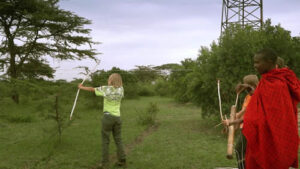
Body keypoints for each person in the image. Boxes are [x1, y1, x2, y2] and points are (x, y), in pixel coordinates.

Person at [242, 48, 300, 169]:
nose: (255, 65)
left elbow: (276, 117)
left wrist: (249, 122)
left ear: (269, 62)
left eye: (258, 62)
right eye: (254, 62)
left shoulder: (276, 84)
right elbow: (258, 107)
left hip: (272, 136)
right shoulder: (267, 81)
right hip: (264, 133)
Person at [78, 73, 126, 169]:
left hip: (108, 118)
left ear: (111, 80)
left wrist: (81, 87)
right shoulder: (121, 89)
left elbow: (92, 89)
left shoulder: (106, 89)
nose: (108, 81)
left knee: (105, 141)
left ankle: (104, 164)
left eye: (109, 79)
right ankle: (122, 160)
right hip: (117, 118)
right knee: (118, 139)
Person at [223, 74, 259, 169]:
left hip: (251, 128)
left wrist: (232, 121)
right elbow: (244, 112)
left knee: (239, 149)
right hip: (246, 126)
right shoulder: (250, 96)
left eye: (248, 88)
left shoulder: (257, 96)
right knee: (245, 151)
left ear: (254, 85)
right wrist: (233, 119)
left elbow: (247, 113)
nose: (247, 90)